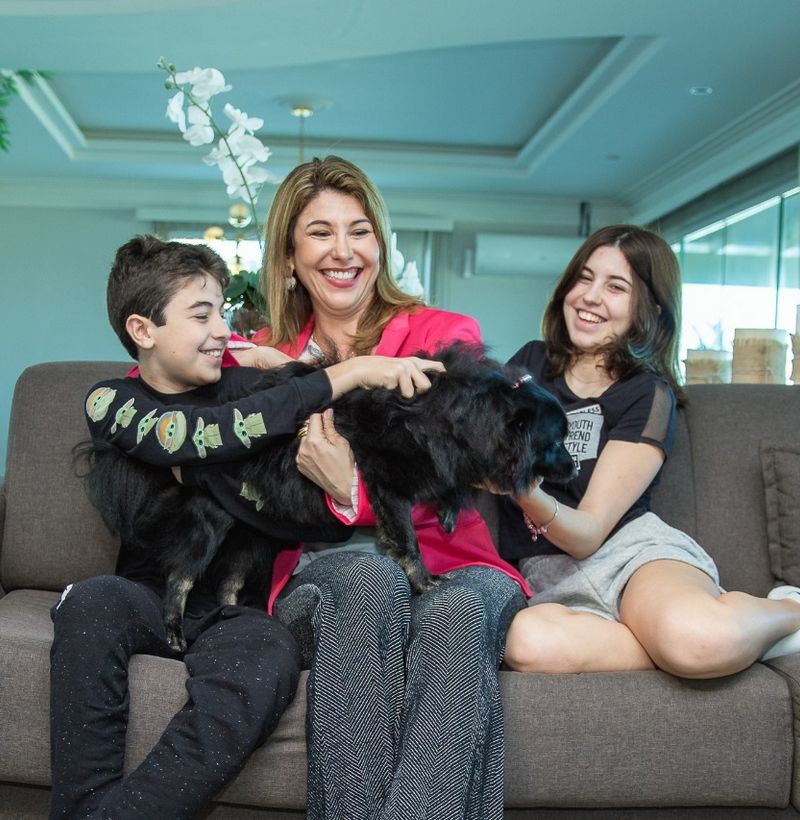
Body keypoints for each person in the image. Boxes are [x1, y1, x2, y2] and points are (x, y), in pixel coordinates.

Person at [53, 235, 443, 820]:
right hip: (143, 594)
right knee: (88, 602)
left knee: (271, 655)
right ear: (143, 330)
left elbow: (306, 513)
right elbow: (201, 434)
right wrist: (354, 372)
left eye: (223, 314)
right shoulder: (111, 402)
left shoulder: (252, 390)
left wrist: (205, 469)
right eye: (201, 313)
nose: (220, 328)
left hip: (236, 613)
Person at [244, 155, 530, 820]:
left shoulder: (442, 335)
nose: (343, 251)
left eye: (360, 230)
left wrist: (348, 490)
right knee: (368, 582)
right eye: (319, 232)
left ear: (381, 243)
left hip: (452, 563)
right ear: (289, 255)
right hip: (326, 574)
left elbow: (452, 464)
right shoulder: (267, 357)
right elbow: (252, 482)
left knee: (456, 612)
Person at [495, 224, 800, 679]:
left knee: (699, 641)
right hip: (548, 575)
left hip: (630, 556)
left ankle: (788, 612)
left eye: (616, 287)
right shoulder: (529, 364)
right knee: (525, 644)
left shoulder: (646, 393)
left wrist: (516, 485)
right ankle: (683, 644)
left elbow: (589, 533)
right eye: (584, 277)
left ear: (650, 309)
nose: (590, 296)